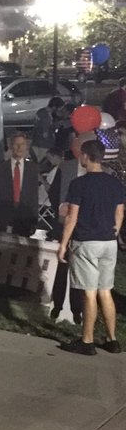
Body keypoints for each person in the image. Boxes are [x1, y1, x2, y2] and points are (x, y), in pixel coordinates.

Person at [58, 139, 125, 355]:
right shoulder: (115, 183)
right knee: (105, 291)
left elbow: (72, 217)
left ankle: (87, 340)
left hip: (86, 242)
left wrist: (63, 244)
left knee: (89, 293)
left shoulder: (79, 184)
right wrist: (114, 231)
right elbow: (120, 213)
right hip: (108, 242)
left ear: (86, 156)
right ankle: (112, 339)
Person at [0, 133, 40, 236]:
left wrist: (34, 219)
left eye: (22, 144)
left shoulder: (33, 168)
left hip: (25, 216)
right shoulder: (1, 168)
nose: (19, 147)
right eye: (16, 144)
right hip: (5, 216)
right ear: (11, 146)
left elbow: (34, 196)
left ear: (26, 147)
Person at [33, 96, 65, 160]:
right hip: (44, 146)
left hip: (36, 142)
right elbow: (45, 133)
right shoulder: (46, 117)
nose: (60, 111)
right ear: (54, 107)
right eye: (59, 109)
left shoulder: (41, 111)